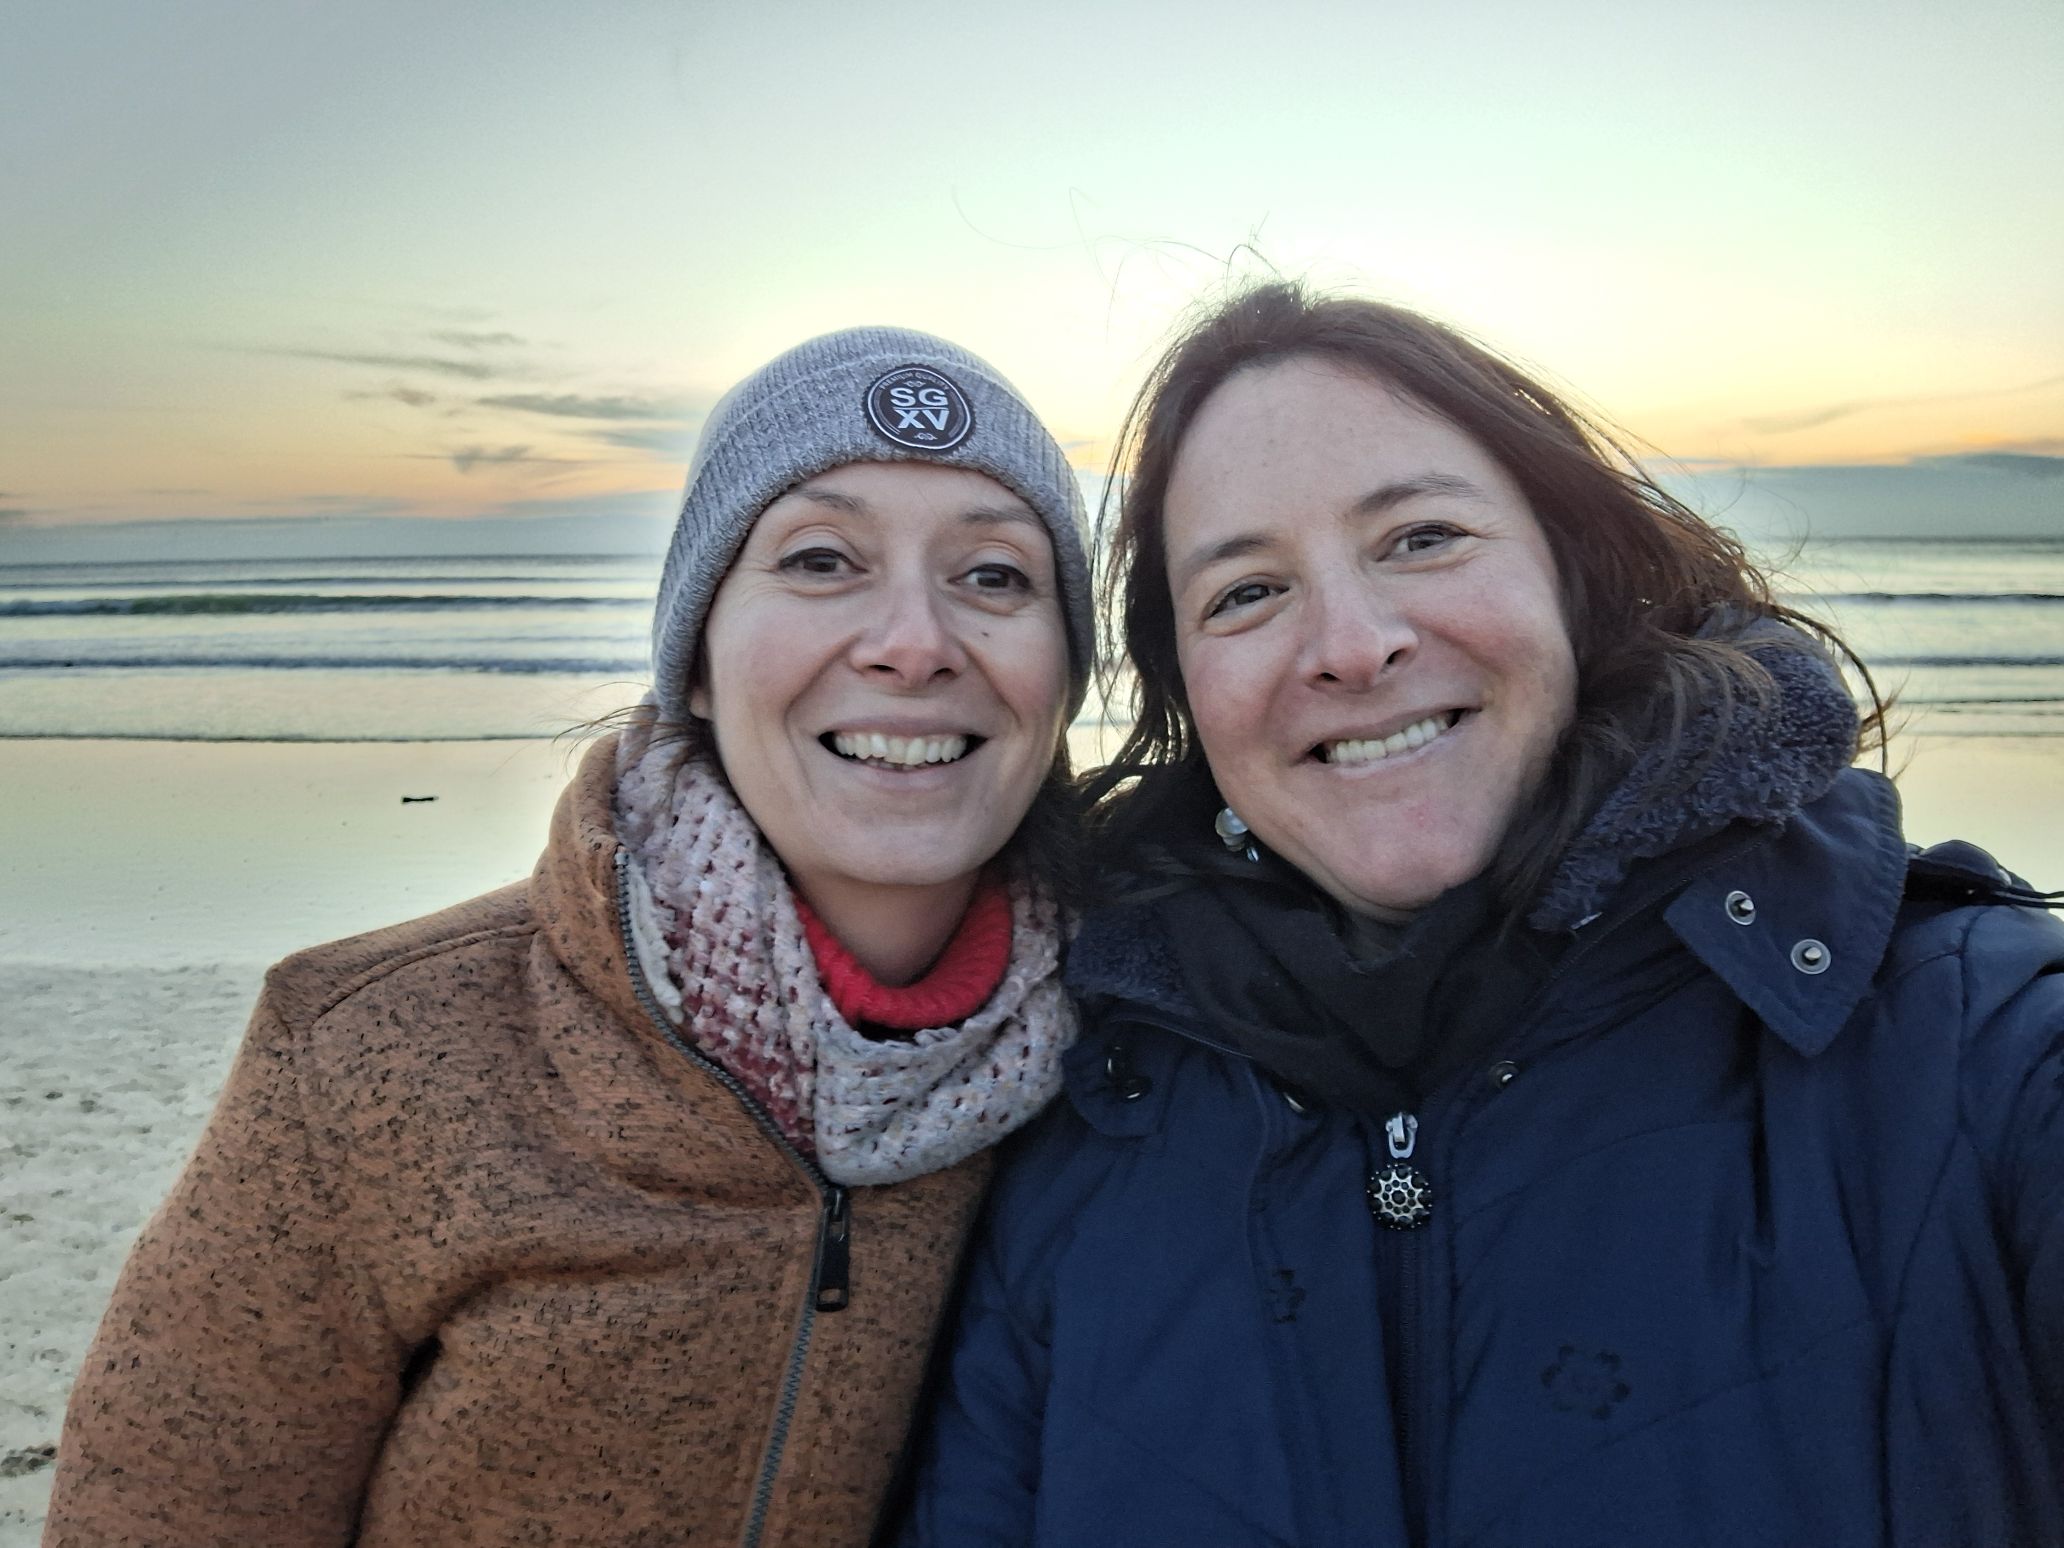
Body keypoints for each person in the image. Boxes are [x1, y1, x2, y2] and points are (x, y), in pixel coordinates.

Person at [895, 283, 2064, 1547]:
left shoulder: (1973, 1048)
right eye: (1246, 592)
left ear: (1577, 575)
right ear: (1189, 694)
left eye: (1422, 538)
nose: (1352, 646)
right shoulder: (1082, 1149)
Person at [42, 327, 1094, 1547]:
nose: (913, 642)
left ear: (1065, 673)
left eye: (995, 577)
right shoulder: (361, 1050)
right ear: (695, 661)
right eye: (820, 560)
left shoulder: (1131, 1058)